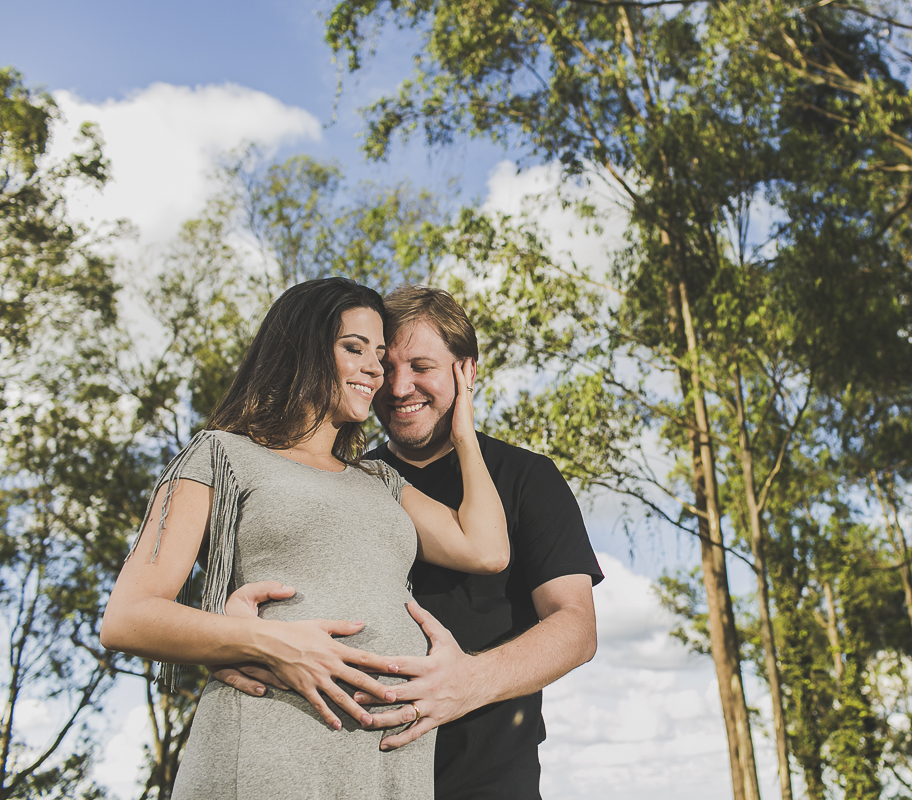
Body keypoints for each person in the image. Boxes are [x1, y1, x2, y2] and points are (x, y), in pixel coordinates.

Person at [100, 277, 509, 800]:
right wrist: (270, 642)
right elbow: (127, 617)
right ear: (303, 349)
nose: (375, 369)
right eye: (353, 348)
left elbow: (487, 549)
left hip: (386, 762)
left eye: (379, 354)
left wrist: (464, 431)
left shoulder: (379, 480)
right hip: (273, 745)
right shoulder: (222, 455)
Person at [218, 285, 605, 799]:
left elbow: (576, 628)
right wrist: (230, 639)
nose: (400, 388)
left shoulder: (526, 477)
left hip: (487, 778)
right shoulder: (350, 476)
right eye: (386, 366)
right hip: (347, 770)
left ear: (465, 371)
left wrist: (469, 682)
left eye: (421, 366)